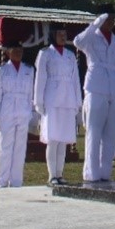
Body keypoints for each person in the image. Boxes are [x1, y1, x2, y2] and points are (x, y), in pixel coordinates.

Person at [72, 13, 115, 180]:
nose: (111, 22)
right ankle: (91, 173)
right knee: (94, 131)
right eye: (107, 18)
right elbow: (78, 42)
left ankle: (106, 172)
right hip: (96, 86)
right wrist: (95, 24)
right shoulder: (91, 37)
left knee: (111, 133)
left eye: (113, 18)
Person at [33, 27, 81, 184]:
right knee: (53, 139)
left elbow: (75, 80)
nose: (62, 37)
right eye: (59, 34)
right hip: (52, 100)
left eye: (64, 34)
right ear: (53, 36)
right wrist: (39, 102)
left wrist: (77, 102)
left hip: (67, 100)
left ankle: (60, 173)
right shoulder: (46, 53)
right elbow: (40, 79)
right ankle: (52, 175)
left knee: (63, 140)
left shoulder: (70, 55)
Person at [0, 38, 36, 188]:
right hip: (7, 110)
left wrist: (32, 113)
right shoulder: (2, 69)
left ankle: (16, 181)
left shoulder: (29, 70)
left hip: (22, 109)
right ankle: (1, 182)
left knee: (20, 148)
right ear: (9, 52)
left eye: (21, 51)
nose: (18, 53)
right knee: (5, 147)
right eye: (15, 50)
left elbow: (30, 94)